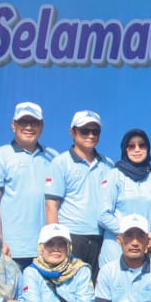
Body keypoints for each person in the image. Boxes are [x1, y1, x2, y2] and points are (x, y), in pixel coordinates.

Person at [0, 101, 57, 270]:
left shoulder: (54, 157)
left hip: (45, 248)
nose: (29, 127)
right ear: (13, 125)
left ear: (42, 126)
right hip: (11, 249)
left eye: (34, 122)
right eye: (23, 122)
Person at [45, 109, 113, 279]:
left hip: (101, 237)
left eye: (95, 131)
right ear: (72, 132)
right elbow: (51, 205)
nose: (90, 135)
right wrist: (57, 240)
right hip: (72, 237)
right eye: (85, 131)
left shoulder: (108, 164)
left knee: (97, 287)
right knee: (69, 286)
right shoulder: (60, 163)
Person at [97, 128, 151, 267]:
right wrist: (132, 234)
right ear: (125, 149)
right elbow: (103, 215)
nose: (137, 149)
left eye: (142, 145)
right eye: (131, 146)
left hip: (145, 249)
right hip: (115, 250)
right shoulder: (114, 176)